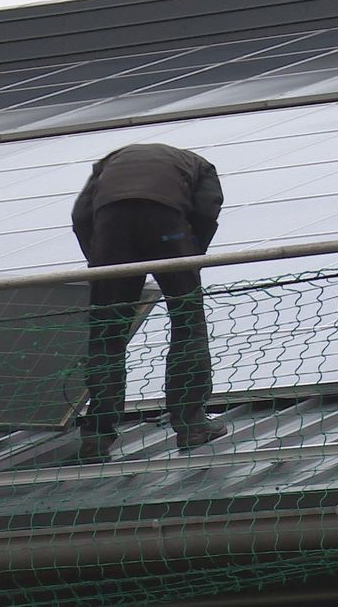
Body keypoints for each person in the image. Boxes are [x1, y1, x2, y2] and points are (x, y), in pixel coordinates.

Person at [71, 143, 227, 463]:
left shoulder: (107, 161)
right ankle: (191, 425)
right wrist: (190, 255)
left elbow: (81, 214)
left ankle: (96, 436)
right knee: (187, 323)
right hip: (166, 223)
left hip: (110, 228)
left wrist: (101, 263)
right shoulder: (201, 166)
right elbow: (207, 208)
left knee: (106, 334)